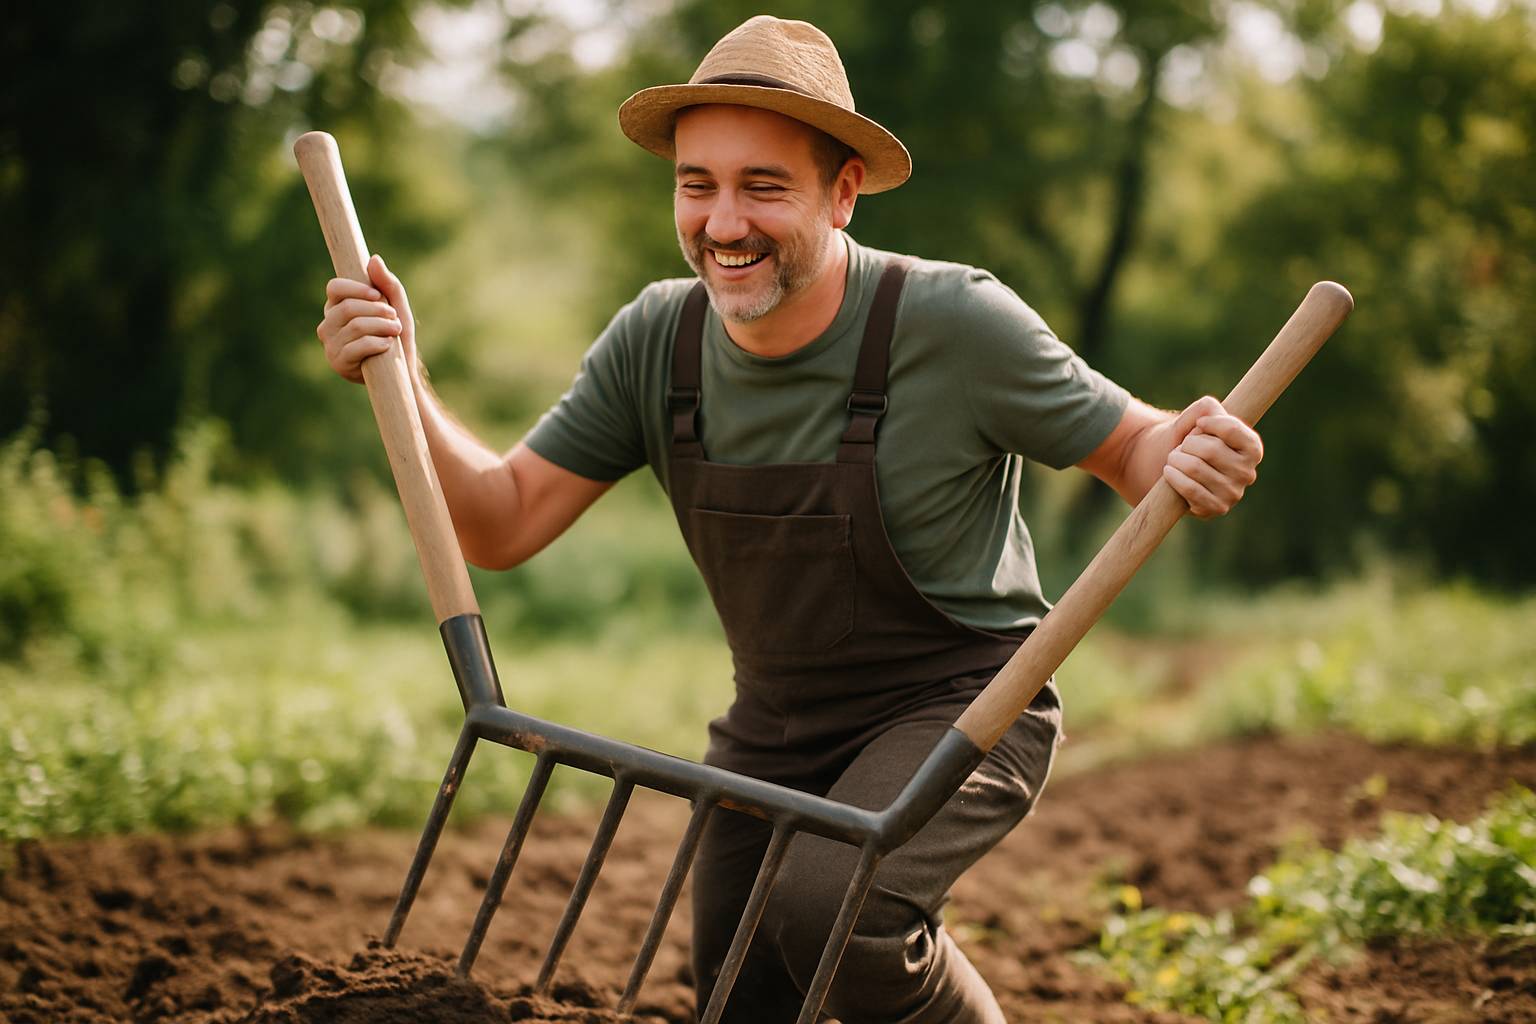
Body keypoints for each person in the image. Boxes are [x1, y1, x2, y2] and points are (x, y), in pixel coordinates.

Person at [315, 15, 1262, 1023]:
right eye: (698, 185)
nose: (724, 222)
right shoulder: (658, 341)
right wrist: (402, 372)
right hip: (773, 726)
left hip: (961, 702)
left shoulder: (953, 324)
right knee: (739, 993)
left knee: (834, 906)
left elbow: (1136, 448)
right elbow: (499, 523)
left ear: (842, 191)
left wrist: (1191, 446)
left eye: (763, 185)